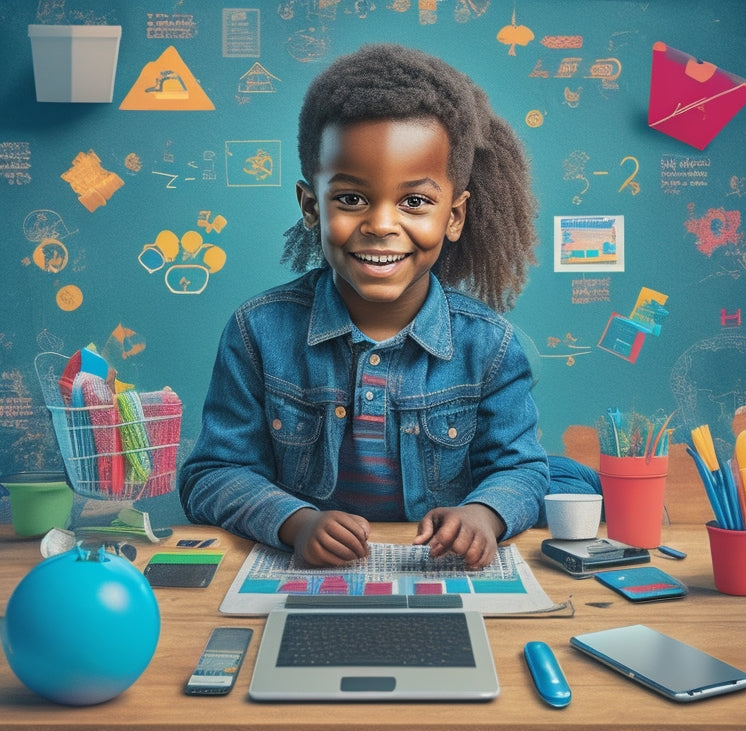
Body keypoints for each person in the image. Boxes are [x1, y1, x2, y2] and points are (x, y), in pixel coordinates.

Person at [179, 43, 550, 570]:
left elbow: (523, 471)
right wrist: (294, 521)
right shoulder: (258, 332)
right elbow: (212, 473)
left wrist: (484, 515)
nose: (380, 224)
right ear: (312, 205)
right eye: (351, 198)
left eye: (415, 202)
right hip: (307, 577)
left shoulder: (489, 347)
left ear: (455, 215)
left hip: (437, 574)